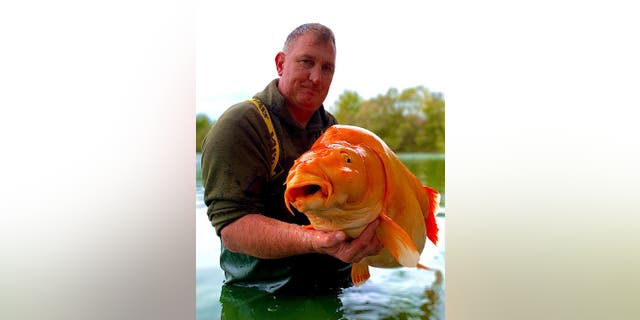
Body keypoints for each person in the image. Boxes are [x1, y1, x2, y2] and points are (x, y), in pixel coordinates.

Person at [201, 23, 383, 293]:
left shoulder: (334, 132)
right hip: (261, 296)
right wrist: (314, 241)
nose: (316, 77)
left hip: (336, 288)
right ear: (280, 63)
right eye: (306, 62)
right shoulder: (240, 125)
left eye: (327, 68)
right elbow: (232, 228)